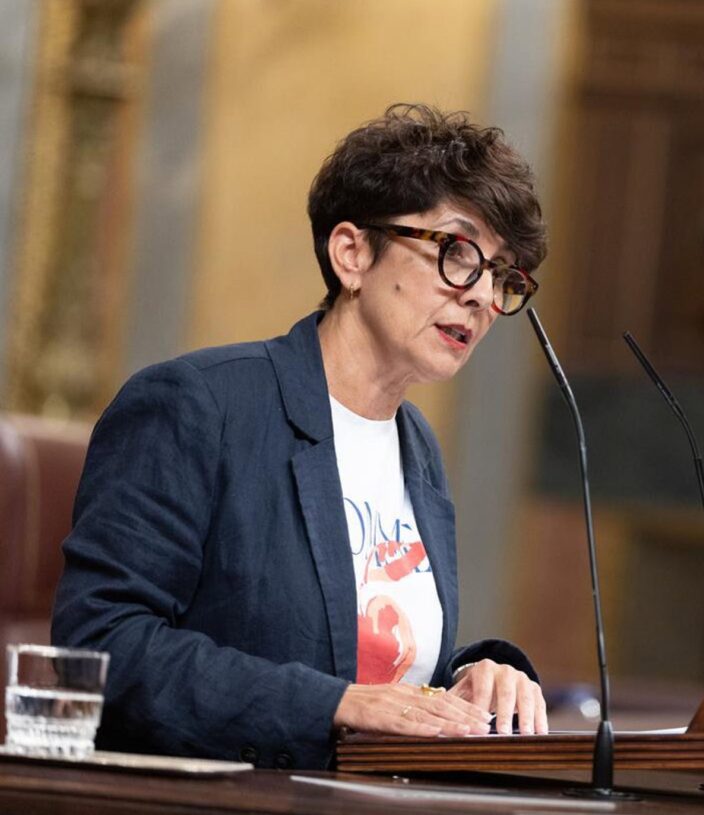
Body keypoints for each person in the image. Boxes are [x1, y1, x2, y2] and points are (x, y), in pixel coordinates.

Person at [52, 103, 549, 770]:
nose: (482, 296)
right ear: (351, 253)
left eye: (501, 275)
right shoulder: (200, 405)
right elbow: (100, 646)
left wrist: (475, 676)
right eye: (458, 254)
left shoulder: (416, 447)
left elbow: (358, 656)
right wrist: (334, 704)